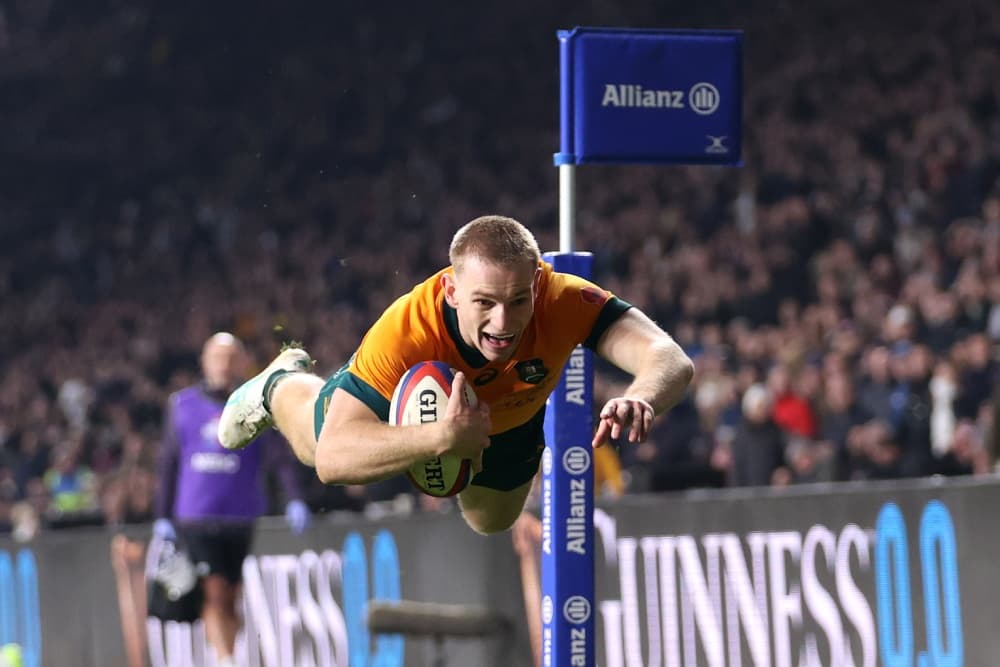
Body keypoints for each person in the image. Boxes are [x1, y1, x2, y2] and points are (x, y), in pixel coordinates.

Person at [218, 215, 694, 534]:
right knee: (313, 436)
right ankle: (278, 384)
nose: (503, 324)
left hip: (508, 419)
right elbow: (333, 461)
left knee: (491, 521)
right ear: (450, 289)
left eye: (518, 301)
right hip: (410, 412)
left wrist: (643, 395)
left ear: (538, 281)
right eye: (484, 302)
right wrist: (437, 438)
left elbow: (669, 357)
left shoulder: (563, 299)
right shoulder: (407, 329)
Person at [154, 332, 311, 667]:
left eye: (230, 358)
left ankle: (226, 655)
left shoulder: (255, 404)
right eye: (217, 357)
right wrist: (161, 515)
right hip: (196, 516)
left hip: (240, 517)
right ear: (204, 361)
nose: (223, 365)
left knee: (231, 595)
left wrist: (295, 498)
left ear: (241, 363)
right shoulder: (181, 405)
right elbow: (169, 462)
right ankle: (226, 660)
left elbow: (278, 458)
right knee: (215, 591)